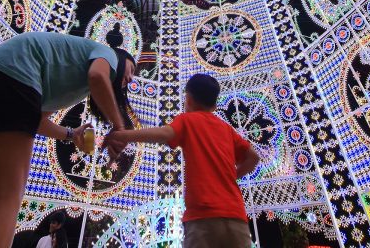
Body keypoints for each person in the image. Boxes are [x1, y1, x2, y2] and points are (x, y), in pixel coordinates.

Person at [0, 31, 136, 248]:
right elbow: (98, 76)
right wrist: (119, 126)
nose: (131, 77)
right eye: (132, 69)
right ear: (121, 57)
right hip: (15, 75)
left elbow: (33, 119)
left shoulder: (75, 84)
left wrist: (71, 134)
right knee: (6, 199)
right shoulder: (107, 54)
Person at [106, 73, 260, 248]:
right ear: (215, 104)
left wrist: (124, 135)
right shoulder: (226, 128)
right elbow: (253, 157)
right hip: (236, 217)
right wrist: (233, 175)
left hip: (203, 218)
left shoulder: (187, 120)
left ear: (188, 99)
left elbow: (164, 134)